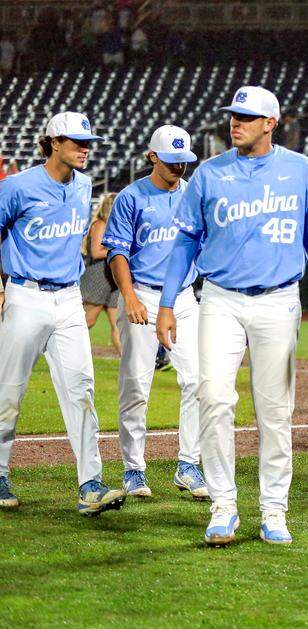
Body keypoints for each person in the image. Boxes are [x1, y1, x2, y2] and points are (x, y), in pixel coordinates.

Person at [156, 86, 308, 546]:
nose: (235, 122)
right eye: (233, 115)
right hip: (220, 298)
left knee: (275, 410)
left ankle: (273, 510)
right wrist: (167, 302)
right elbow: (185, 241)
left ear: (271, 123)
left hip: (278, 301)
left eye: (246, 116)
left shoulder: (301, 170)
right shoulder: (209, 173)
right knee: (214, 397)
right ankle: (223, 504)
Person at [0, 111, 126, 515]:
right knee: (9, 391)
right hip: (26, 295)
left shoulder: (84, 184)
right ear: (53, 142)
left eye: (87, 142)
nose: (84, 149)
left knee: (81, 389)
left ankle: (90, 484)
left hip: (69, 298)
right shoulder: (17, 187)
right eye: (76, 142)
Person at [103, 125, 207, 500]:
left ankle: (188, 464)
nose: (178, 167)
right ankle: (133, 469)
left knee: (197, 380)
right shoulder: (131, 197)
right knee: (136, 384)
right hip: (142, 296)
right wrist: (127, 296)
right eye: (171, 161)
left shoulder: (193, 195)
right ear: (152, 157)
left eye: (183, 161)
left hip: (182, 297)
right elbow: (117, 251)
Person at [80, 193, 122, 355]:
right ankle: (59, 346)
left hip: (113, 277)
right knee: (88, 320)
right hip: (98, 276)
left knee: (118, 323)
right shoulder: (100, 224)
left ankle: (127, 364)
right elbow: (97, 252)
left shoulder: (115, 226)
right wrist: (120, 247)